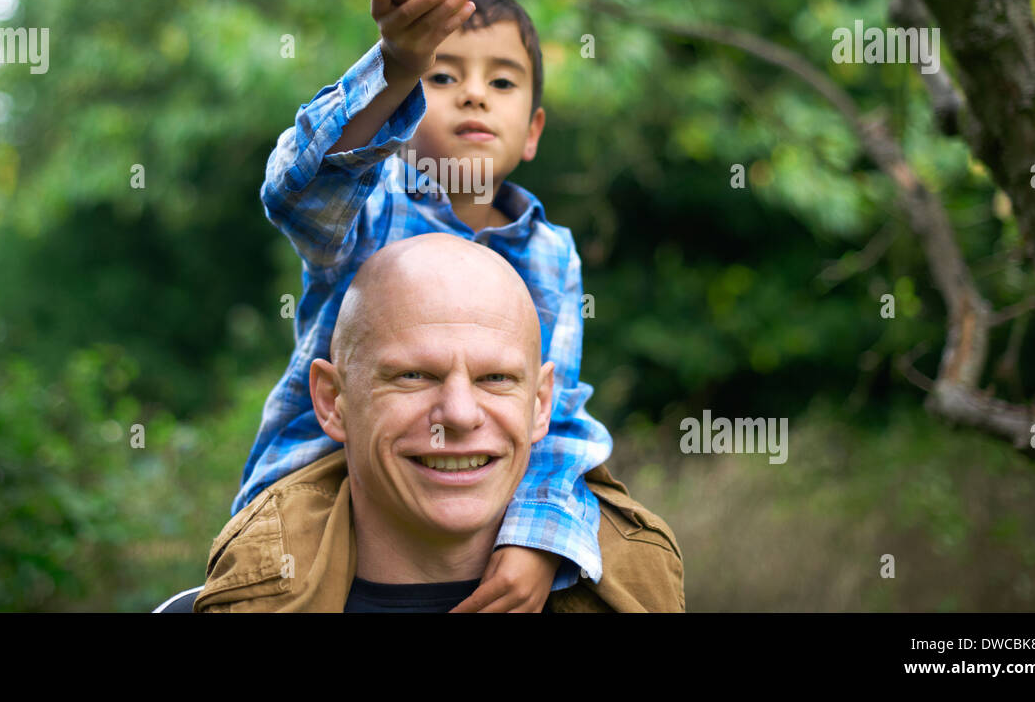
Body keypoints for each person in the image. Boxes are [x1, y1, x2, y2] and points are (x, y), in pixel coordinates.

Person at [232, 0, 614, 610]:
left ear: (533, 131)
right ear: (405, 107)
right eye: (442, 76)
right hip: (325, 480)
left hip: (486, 478)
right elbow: (297, 190)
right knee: (272, 587)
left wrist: (539, 537)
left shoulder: (551, 254)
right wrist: (394, 63)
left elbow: (558, 414)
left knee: (630, 548)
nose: (473, 95)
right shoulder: (369, 211)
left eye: (501, 81)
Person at [195, 234, 683, 612]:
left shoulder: (636, 593)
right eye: (413, 376)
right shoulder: (233, 599)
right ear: (332, 400)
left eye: (495, 378)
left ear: (540, 404)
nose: (459, 414)